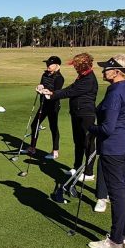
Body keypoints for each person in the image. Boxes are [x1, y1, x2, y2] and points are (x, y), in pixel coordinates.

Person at [87, 54, 125, 248]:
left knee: (117, 194)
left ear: (117, 72)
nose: (103, 71)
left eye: (106, 69)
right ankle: (123, 234)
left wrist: (91, 128)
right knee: (122, 190)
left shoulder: (115, 92)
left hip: (114, 148)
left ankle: (115, 241)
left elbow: (107, 128)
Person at [41, 53, 98, 182]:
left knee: (88, 143)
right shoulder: (82, 77)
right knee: (78, 142)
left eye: (76, 65)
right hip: (77, 113)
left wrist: (53, 94)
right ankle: (77, 167)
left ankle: (89, 173)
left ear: (82, 65)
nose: (75, 68)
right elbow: (71, 88)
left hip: (86, 115)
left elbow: (70, 92)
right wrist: (52, 92)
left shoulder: (89, 79)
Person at [24, 56, 65, 158]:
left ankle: (55, 151)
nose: (48, 66)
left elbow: (56, 92)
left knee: (53, 127)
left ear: (57, 65)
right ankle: (32, 147)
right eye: (47, 64)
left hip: (53, 106)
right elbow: (42, 84)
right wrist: (40, 87)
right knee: (35, 125)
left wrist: (47, 92)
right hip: (43, 104)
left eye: (50, 64)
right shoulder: (45, 75)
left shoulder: (60, 78)